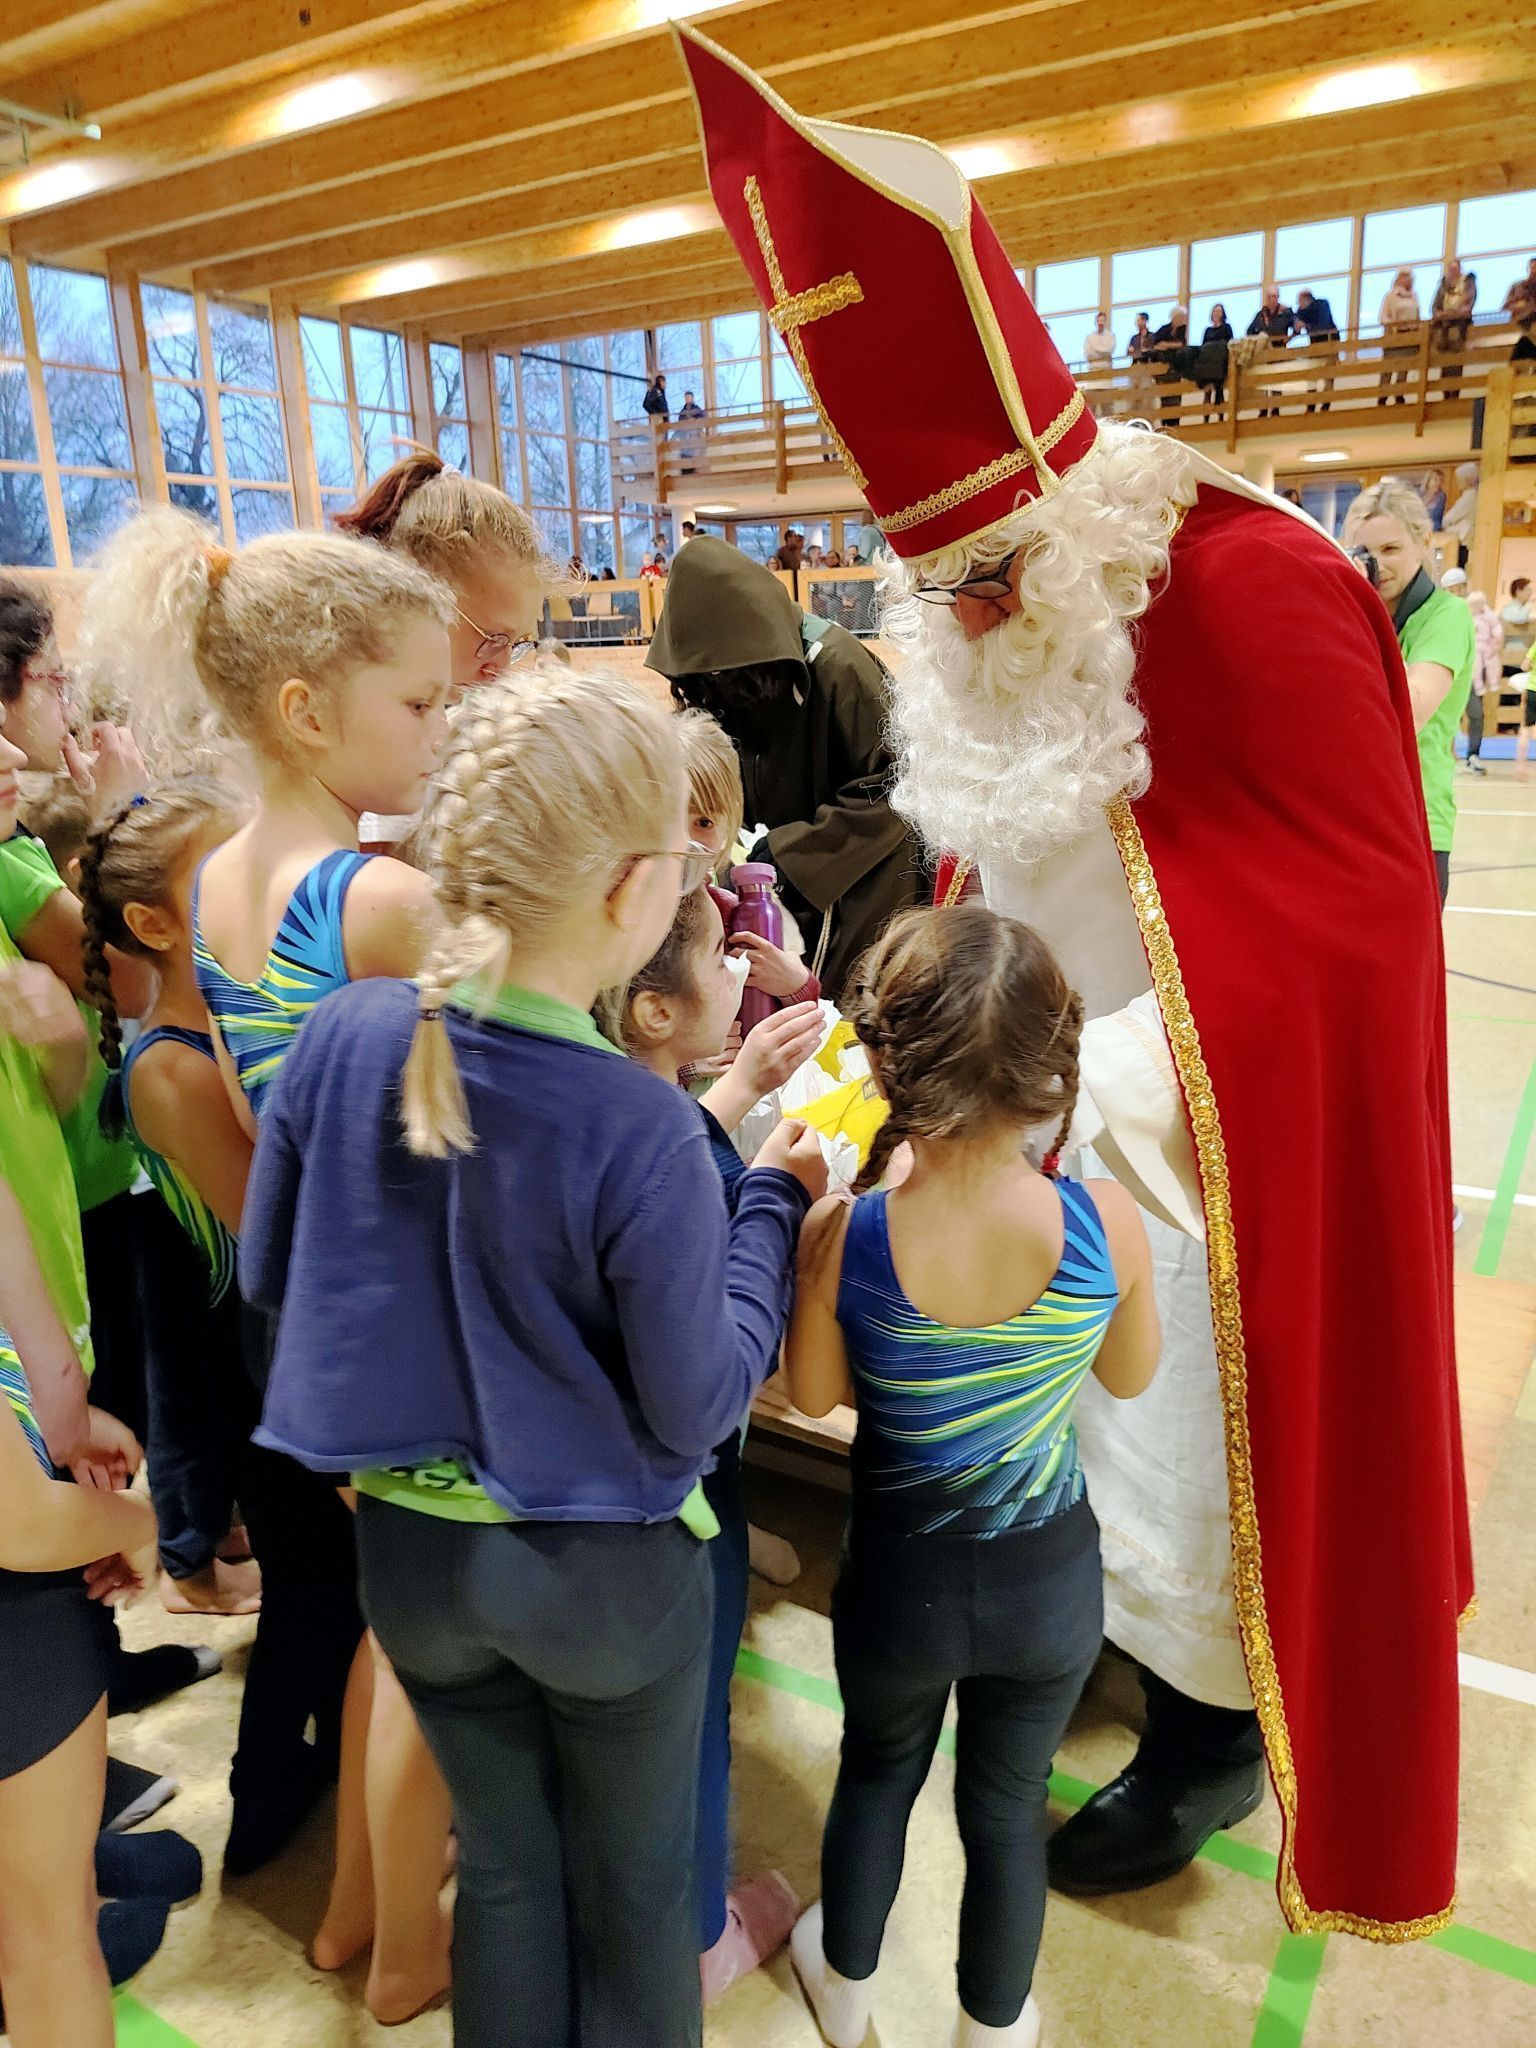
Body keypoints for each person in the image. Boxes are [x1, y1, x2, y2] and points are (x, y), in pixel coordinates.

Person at [679, 20, 1469, 1938]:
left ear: (1064, 511)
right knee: (1090, 1438)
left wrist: (1064, 1087)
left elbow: (1340, 949)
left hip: (1205, 1152)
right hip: (1037, 1121)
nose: (958, 623)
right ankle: (1115, 1652)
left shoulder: (1247, 580)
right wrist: (901, 1040)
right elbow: (1002, 848)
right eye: (929, 587)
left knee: (1207, 1445)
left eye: (985, 582)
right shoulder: (998, 624)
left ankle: (1213, 1723)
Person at [242, 668, 826, 2048]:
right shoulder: (640, 1125)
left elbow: (278, 1280)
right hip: (603, 1580)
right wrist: (770, 1208)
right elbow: (698, 1402)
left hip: (417, 1567)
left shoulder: (343, 1033)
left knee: (504, 1880)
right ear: (635, 892)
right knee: (633, 1910)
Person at [76, 507, 451, 2017]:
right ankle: (400, 1944)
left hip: (310, 1303)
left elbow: (251, 1113)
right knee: (428, 1641)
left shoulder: (225, 878)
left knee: (388, 1620)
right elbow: (482, 1121)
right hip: (412, 1310)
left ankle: (358, 1905)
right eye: (422, 704)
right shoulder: (377, 899)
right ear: (307, 709)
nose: (443, 730)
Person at [784, 905, 1160, 2048]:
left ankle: (843, 1985)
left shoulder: (853, 1232)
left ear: (890, 1057)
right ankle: (991, 2023)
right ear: (1054, 1067)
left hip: (902, 1580)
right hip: (1050, 1589)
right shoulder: (1107, 1225)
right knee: (1006, 1807)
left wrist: (813, 1264)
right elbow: (1132, 1377)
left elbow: (810, 1394)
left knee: (878, 1767)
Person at [600, 886, 822, 2002]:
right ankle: (697, 1934)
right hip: (687, 1499)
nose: (742, 968)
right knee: (692, 1719)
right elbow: (731, 1367)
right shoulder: (672, 1152)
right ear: (650, 1010)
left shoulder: (578, 1111)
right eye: (718, 957)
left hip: (575, 1514)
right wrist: (779, 1197)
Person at [646, 534, 925, 1004]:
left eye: (719, 676)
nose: (714, 689)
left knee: (848, 1004)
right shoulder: (728, 679)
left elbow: (896, 788)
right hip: (781, 874)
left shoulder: (840, 669)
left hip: (865, 874)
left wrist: (788, 851)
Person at [1342, 479, 1476, 901]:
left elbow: (1411, 710)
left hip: (1418, 823)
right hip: (1356, 817)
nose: (1378, 565)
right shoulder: (1355, 614)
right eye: (1365, 554)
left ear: (1422, 543)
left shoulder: (1446, 615)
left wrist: (1361, 614)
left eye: (1391, 550)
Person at [1464, 590, 1504, 776]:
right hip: (1457, 671)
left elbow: (1498, 637)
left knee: (1477, 714)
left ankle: (1473, 755)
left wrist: (1493, 650)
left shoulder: (1489, 618)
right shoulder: (1460, 615)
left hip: (1474, 674)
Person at [1246, 290, 1296, 415]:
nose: (1272, 299)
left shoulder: (1285, 312)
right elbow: (1249, 331)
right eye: (1269, 297)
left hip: (1278, 350)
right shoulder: (1260, 315)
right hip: (1263, 352)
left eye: (1274, 296)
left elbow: (1297, 324)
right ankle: (1262, 408)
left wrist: (1291, 337)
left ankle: (1275, 408)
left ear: (1278, 297)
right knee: (1263, 380)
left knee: (1276, 379)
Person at [1431, 259, 1476, 394]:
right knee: (1445, 359)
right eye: (1450, 270)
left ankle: (1455, 391)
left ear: (1460, 269)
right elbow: (1435, 306)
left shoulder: (1467, 283)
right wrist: (1441, 314)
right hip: (1444, 327)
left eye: (1455, 269)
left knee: (1456, 358)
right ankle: (1444, 391)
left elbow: (1468, 304)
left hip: (1459, 326)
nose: (1452, 272)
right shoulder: (1443, 285)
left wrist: (1456, 313)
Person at [1379, 267, 1422, 403]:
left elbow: (1418, 316)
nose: (1406, 279)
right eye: (1403, 277)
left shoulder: (1414, 296)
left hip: (1409, 336)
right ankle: (1382, 396)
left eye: (1408, 277)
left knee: (1404, 367)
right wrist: (1395, 323)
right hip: (1394, 336)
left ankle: (1399, 393)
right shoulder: (1391, 296)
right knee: (1388, 368)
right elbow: (1383, 317)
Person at [1294, 289, 1339, 411]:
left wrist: (1306, 325)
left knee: (1328, 374)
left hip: (1329, 341)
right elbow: (1296, 328)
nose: (1299, 305)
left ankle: (1326, 403)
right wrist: (1296, 326)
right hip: (1314, 343)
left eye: (1300, 301)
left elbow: (1322, 325)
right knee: (1311, 374)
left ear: (1306, 299)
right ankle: (1311, 403)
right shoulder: (1301, 311)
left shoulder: (1322, 304)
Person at [1442, 460, 1480, 567]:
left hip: (1461, 542)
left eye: (1459, 480)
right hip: (1460, 542)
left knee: (1449, 567)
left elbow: (1448, 519)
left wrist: (1446, 523)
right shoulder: (1469, 495)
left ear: (1468, 480)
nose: (1457, 483)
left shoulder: (1470, 496)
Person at [1197, 303, 1233, 411]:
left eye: (1219, 311)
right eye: (1215, 311)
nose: (1216, 313)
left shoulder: (1226, 328)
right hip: (1209, 360)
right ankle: (1206, 412)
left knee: (1218, 383)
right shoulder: (1208, 330)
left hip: (1220, 359)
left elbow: (1229, 343)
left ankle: (1220, 412)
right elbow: (1203, 346)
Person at [1502, 575, 1533, 677]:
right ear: (1519, 591)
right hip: (1511, 658)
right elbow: (1520, 618)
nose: (1530, 593)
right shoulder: (1508, 609)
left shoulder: (1522, 608)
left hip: (1524, 657)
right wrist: (1529, 606)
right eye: (1527, 590)